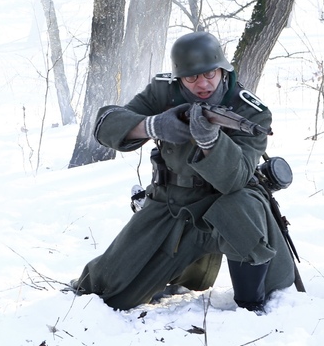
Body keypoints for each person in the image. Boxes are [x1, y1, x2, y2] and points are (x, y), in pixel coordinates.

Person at [70, 31, 295, 314]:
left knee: (242, 206)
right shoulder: (163, 92)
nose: (202, 83)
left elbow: (235, 179)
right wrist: (153, 126)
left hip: (229, 207)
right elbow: (106, 125)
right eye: (192, 77)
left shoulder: (250, 112)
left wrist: (211, 142)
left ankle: (250, 306)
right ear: (179, 78)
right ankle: (177, 273)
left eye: (210, 73)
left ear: (223, 69)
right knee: (106, 292)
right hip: (171, 202)